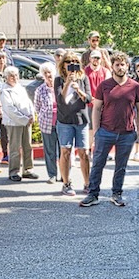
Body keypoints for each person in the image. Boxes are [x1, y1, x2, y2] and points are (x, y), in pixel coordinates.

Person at [79, 51, 139, 208]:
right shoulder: (104, 85)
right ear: (112, 66)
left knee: (120, 166)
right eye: (117, 64)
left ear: (127, 66)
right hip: (105, 132)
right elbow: (96, 108)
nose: (120, 67)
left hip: (127, 133)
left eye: (123, 64)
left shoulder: (134, 86)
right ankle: (93, 194)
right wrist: (96, 131)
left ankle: (117, 194)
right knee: (98, 164)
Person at [55, 52, 92, 196]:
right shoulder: (59, 80)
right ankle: (66, 183)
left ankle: (87, 183)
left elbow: (88, 98)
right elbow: (60, 99)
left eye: (75, 61)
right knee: (65, 151)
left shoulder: (83, 79)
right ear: (63, 64)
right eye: (68, 61)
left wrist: (78, 88)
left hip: (81, 119)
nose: (71, 64)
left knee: (84, 152)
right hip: (65, 120)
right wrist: (68, 83)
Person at [0, 65, 38, 182]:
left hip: (26, 122)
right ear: (6, 77)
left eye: (16, 75)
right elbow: (10, 109)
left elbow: (28, 102)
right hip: (13, 123)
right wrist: (24, 119)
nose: (14, 77)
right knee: (15, 148)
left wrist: (32, 114)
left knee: (28, 146)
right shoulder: (5, 91)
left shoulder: (20, 87)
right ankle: (14, 171)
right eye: (11, 76)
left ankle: (28, 169)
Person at [34, 62, 60, 184]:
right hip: (47, 123)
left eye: (49, 72)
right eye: (45, 73)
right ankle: (52, 175)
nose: (48, 75)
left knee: (64, 150)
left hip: (62, 123)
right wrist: (42, 117)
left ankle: (65, 175)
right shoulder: (40, 90)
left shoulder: (60, 87)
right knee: (50, 151)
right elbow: (37, 107)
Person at [84, 49, 110, 151]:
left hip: (103, 104)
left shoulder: (105, 72)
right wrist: (91, 99)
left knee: (103, 127)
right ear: (90, 58)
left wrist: (101, 101)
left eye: (98, 58)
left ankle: (102, 149)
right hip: (89, 104)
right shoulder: (85, 71)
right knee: (90, 128)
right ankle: (90, 149)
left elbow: (108, 88)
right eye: (94, 57)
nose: (96, 60)